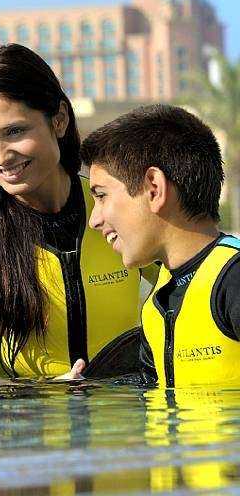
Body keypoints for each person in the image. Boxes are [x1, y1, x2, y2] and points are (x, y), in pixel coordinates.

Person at [0, 44, 151, 382]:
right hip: (20, 429)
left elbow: (194, 289)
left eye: (14, 131)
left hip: (120, 428)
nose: (1, 156)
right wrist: (25, 392)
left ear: (59, 120)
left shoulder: (117, 209)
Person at [81, 104, 240, 388]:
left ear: (154, 188)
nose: (94, 220)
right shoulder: (157, 304)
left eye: (102, 196)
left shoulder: (233, 280)